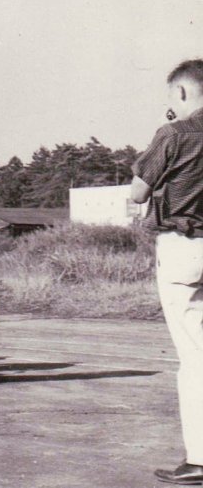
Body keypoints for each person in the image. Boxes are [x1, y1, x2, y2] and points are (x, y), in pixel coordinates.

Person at [131, 60, 203, 485]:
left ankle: (200, 459)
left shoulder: (173, 134)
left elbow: (139, 190)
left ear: (180, 93)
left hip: (183, 248)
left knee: (195, 357)